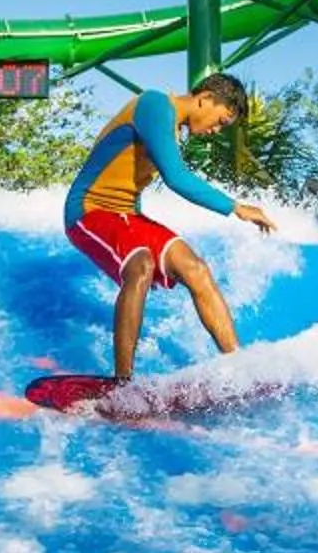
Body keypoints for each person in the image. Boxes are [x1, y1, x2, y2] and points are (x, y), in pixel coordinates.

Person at [62, 71, 276, 381]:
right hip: (89, 210)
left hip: (127, 215)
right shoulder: (155, 104)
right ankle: (122, 383)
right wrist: (236, 207)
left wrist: (136, 232)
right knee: (141, 265)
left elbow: (130, 182)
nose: (216, 130)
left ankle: (240, 369)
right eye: (220, 121)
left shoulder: (172, 127)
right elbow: (176, 177)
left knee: (195, 269)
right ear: (205, 98)